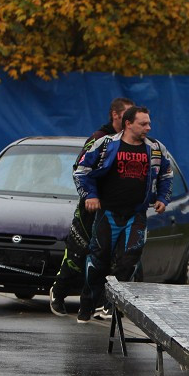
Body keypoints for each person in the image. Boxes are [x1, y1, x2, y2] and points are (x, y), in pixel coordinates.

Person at [71, 105, 173, 323]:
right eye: (143, 123)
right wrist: (90, 195)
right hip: (107, 213)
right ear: (128, 124)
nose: (149, 127)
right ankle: (87, 304)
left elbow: (166, 174)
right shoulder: (106, 144)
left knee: (128, 261)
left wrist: (163, 199)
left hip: (136, 215)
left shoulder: (156, 148)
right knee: (98, 261)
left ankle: (111, 305)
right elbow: (81, 171)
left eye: (149, 123)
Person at [49, 96, 134, 317]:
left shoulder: (132, 141)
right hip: (91, 209)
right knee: (77, 255)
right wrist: (91, 195)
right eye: (128, 114)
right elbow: (80, 169)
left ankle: (104, 303)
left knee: (113, 258)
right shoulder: (99, 139)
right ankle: (58, 291)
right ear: (116, 115)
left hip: (116, 211)